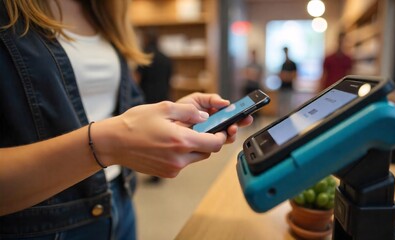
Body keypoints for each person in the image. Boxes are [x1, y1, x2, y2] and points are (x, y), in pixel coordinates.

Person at [0, 1, 252, 239]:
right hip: (39, 226)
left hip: (119, 202)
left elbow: (115, 108)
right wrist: (106, 145)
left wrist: (170, 117)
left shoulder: (104, 11)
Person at [136, 28, 173, 184]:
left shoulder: (144, 56)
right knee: (163, 136)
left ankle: (154, 170)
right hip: (164, 99)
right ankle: (164, 167)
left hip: (147, 100)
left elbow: (137, 79)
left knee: (150, 137)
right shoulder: (166, 58)